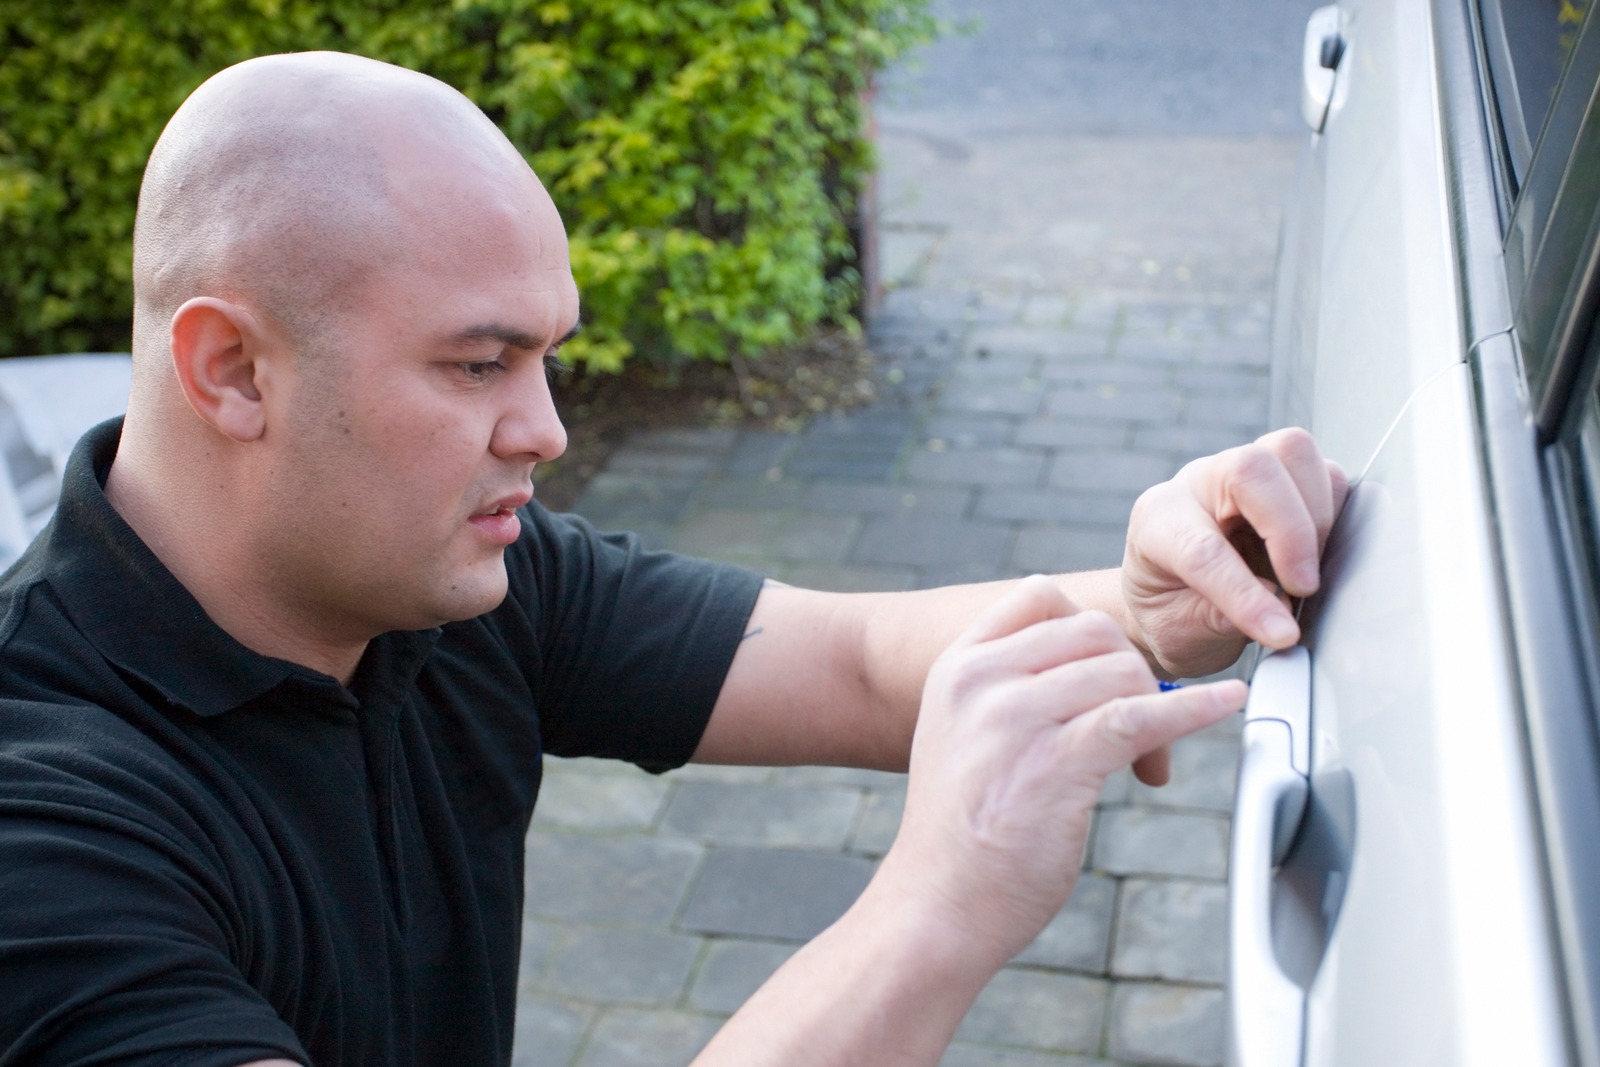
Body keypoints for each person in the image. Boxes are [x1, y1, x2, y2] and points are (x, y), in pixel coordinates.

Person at [0, 52, 1346, 1067]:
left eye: (546, 356)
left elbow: (865, 668)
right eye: (479, 364)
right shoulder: (42, 834)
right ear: (232, 370)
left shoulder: (454, 588)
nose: (546, 429)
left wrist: (1161, 608)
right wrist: (935, 910)